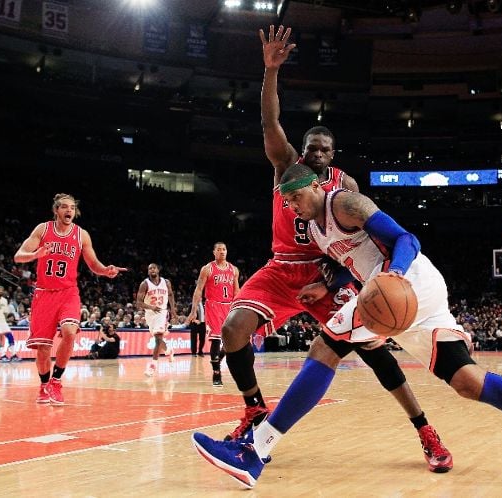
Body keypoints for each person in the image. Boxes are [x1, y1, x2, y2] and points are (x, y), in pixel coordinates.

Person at [191, 163, 502, 490]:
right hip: (412, 294)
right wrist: (329, 285)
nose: (291, 205)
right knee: (467, 381)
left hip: (406, 278)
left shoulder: (344, 203)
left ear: (314, 185)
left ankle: (255, 450)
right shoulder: (317, 230)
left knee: (325, 349)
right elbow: (351, 262)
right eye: (285, 201)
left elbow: (407, 240)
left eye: (295, 196)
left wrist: (393, 275)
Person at [197, 24, 452, 474]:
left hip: (327, 273)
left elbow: (360, 245)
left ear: (332, 156)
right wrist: (270, 72)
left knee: (376, 354)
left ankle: (426, 431)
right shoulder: (284, 167)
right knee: (235, 327)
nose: (316, 153)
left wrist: (333, 280)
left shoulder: (346, 188)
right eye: (312, 146)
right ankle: (255, 410)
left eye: (324, 149)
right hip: (281, 268)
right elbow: (269, 122)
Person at [13, 193, 126, 404]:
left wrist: (106, 270)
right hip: (44, 294)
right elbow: (18, 256)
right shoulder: (43, 229)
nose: (69, 211)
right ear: (56, 210)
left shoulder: (81, 235)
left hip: (68, 293)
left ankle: (56, 381)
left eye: (72, 208)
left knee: (69, 332)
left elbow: (93, 264)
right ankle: (44, 385)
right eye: (64, 207)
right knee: (44, 350)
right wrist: (35, 255)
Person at [185, 242, 240, 386]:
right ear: (214, 252)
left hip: (229, 305)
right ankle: (216, 373)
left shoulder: (234, 269)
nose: (222, 252)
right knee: (216, 339)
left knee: (231, 341)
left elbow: (236, 291)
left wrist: (240, 307)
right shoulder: (207, 268)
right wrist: (193, 311)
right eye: (219, 249)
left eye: (224, 249)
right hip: (213, 305)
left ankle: (217, 360)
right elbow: (198, 290)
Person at [137, 263, 177, 377]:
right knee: (157, 339)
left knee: (158, 339)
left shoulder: (166, 282)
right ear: (148, 272)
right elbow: (138, 302)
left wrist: (173, 309)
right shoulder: (144, 284)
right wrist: (151, 307)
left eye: (154, 268)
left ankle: (152, 366)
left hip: (162, 313)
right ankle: (168, 350)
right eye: (149, 268)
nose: (152, 270)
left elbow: (170, 295)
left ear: (158, 270)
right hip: (150, 314)